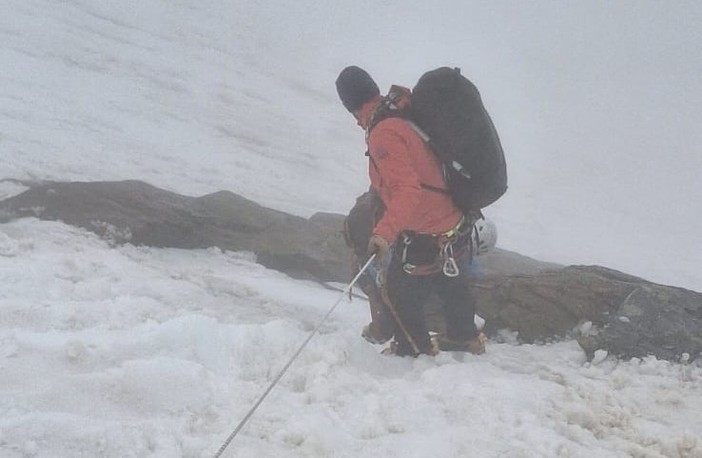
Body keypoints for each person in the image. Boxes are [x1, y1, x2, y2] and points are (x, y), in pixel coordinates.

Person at [336, 66, 486, 357]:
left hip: (427, 224)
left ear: (349, 104)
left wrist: (383, 234)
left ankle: (411, 349)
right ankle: (464, 337)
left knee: (398, 287)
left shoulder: (384, 133)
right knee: (450, 277)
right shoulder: (400, 114)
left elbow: (407, 190)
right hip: (453, 217)